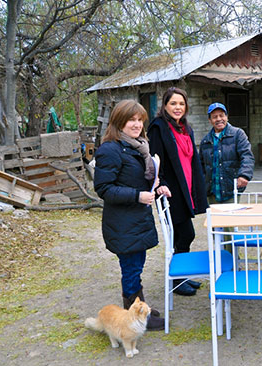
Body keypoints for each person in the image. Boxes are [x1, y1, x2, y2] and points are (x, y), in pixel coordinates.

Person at [94, 99, 171, 331]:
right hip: (123, 223)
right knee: (131, 269)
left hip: (136, 220)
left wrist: (156, 186)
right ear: (119, 122)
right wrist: (137, 195)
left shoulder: (138, 146)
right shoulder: (110, 149)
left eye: (139, 120)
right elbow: (104, 189)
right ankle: (137, 319)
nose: (137, 124)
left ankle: (138, 308)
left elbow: (137, 179)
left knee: (136, 266)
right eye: (131, 120)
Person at [148, 87, 209, 297]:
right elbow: (154, 160)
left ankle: (181, 276)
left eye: (181, 104)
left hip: (186, 189)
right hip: (170, 192)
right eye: (173, 103)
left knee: (184, 234)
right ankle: (176, 280)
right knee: (184, 234)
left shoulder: (185, 128)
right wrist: (160, 183)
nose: (177, 107)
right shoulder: (158, 128)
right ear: (165, 105)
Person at [199, 102, 254, 203]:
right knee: (214, 218)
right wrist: (202, 183)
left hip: (231, 189)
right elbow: (200, 166)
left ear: (227, 117)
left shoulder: (238, 134)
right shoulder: (205, 141)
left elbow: (247, 156)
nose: (219, 119)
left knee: (230, 217)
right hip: (211, 192)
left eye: (221, 115)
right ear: (210, 120)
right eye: (215, 117)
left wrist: (244, 175)